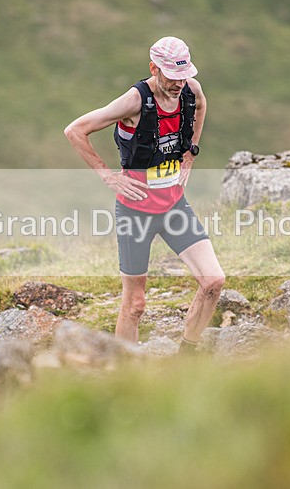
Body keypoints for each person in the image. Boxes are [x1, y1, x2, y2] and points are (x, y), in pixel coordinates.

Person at [64, 36, 225, 352]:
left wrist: (190, 153)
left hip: (174, 206)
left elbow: (202, 106)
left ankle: (187, 354)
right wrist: (108, 177)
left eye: (183, 75)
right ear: (154, 68)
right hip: (135, 212)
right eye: (171, 76)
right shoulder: (133, 101)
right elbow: (74, 130)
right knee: (135, 303)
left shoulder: (192, 91)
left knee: (214, 281)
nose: (179, 83)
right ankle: (125, 374)